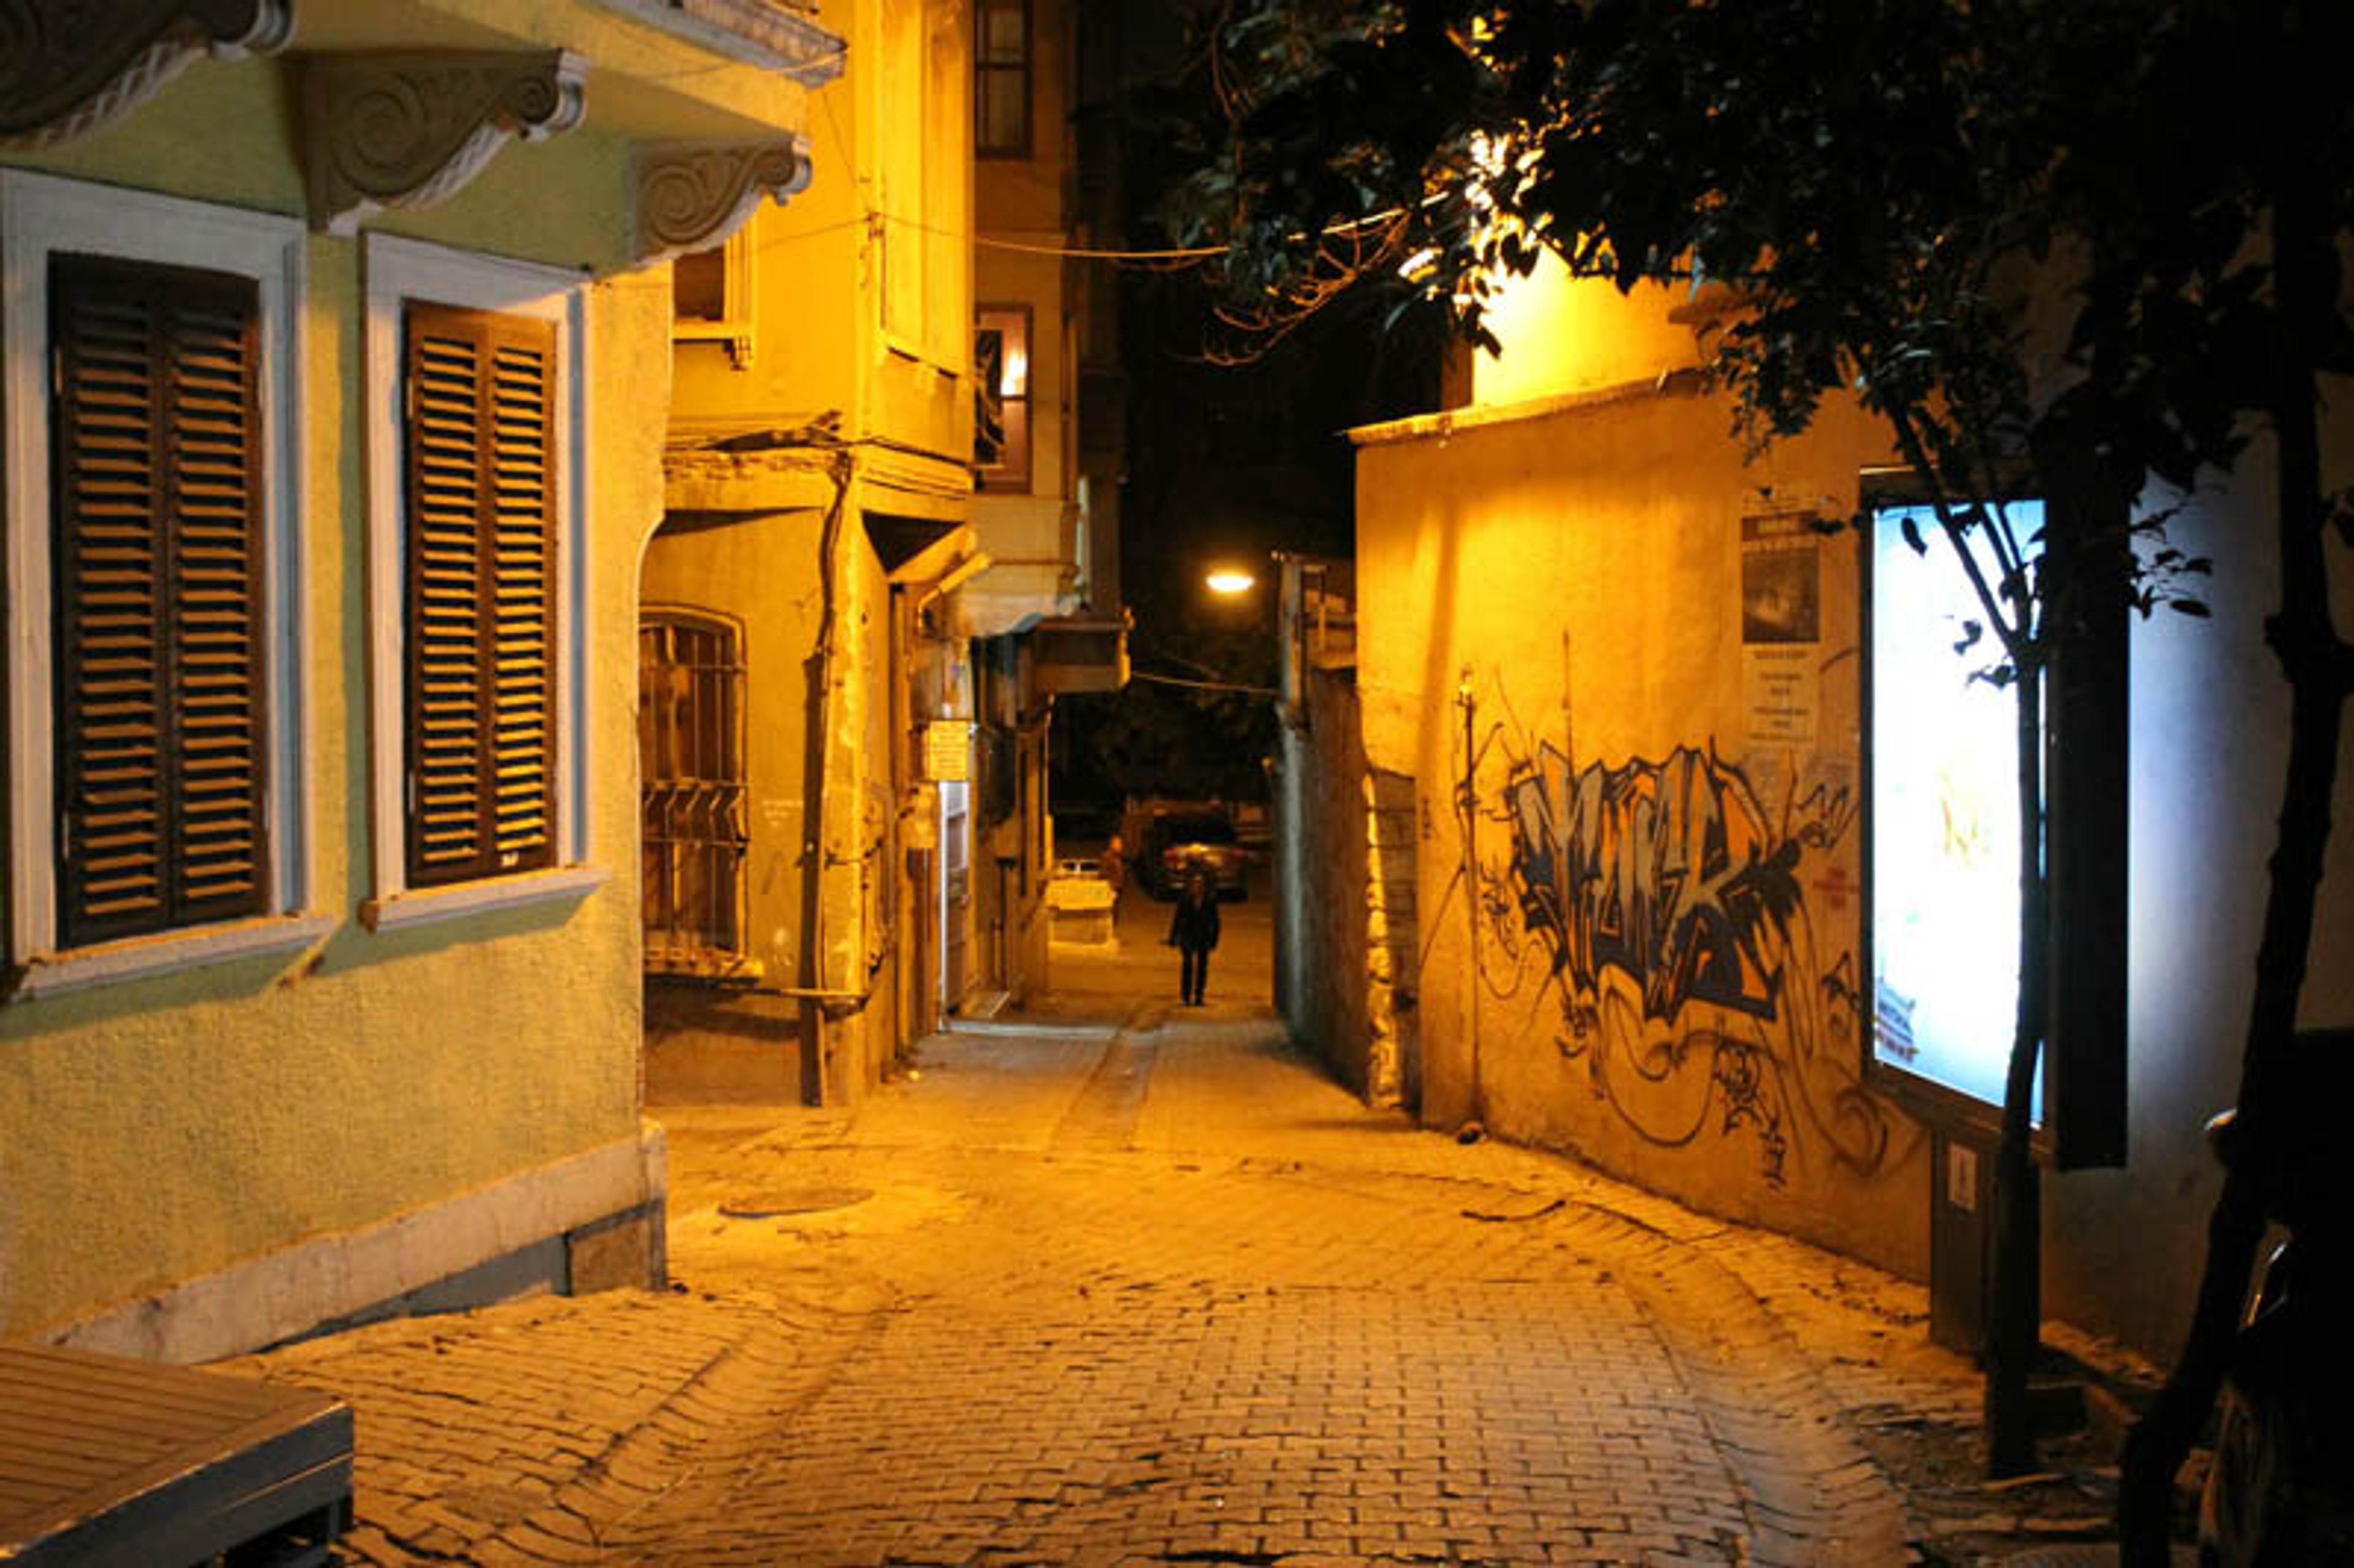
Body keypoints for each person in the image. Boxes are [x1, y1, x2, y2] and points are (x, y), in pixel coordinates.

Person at [1167, 862, 1221, 1006]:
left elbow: (1215, 921)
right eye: (1195, 884)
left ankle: (1199, 995)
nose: (1198, 887)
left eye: (1200, 884)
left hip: (1203, 937)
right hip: (1188, 936)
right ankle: (1186, 995)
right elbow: (1178, 918)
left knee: (1202, 967)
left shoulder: (1210, 900)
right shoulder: (1185, 899)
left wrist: (1214, 939)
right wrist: (1173, 937)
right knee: (1188, 966)